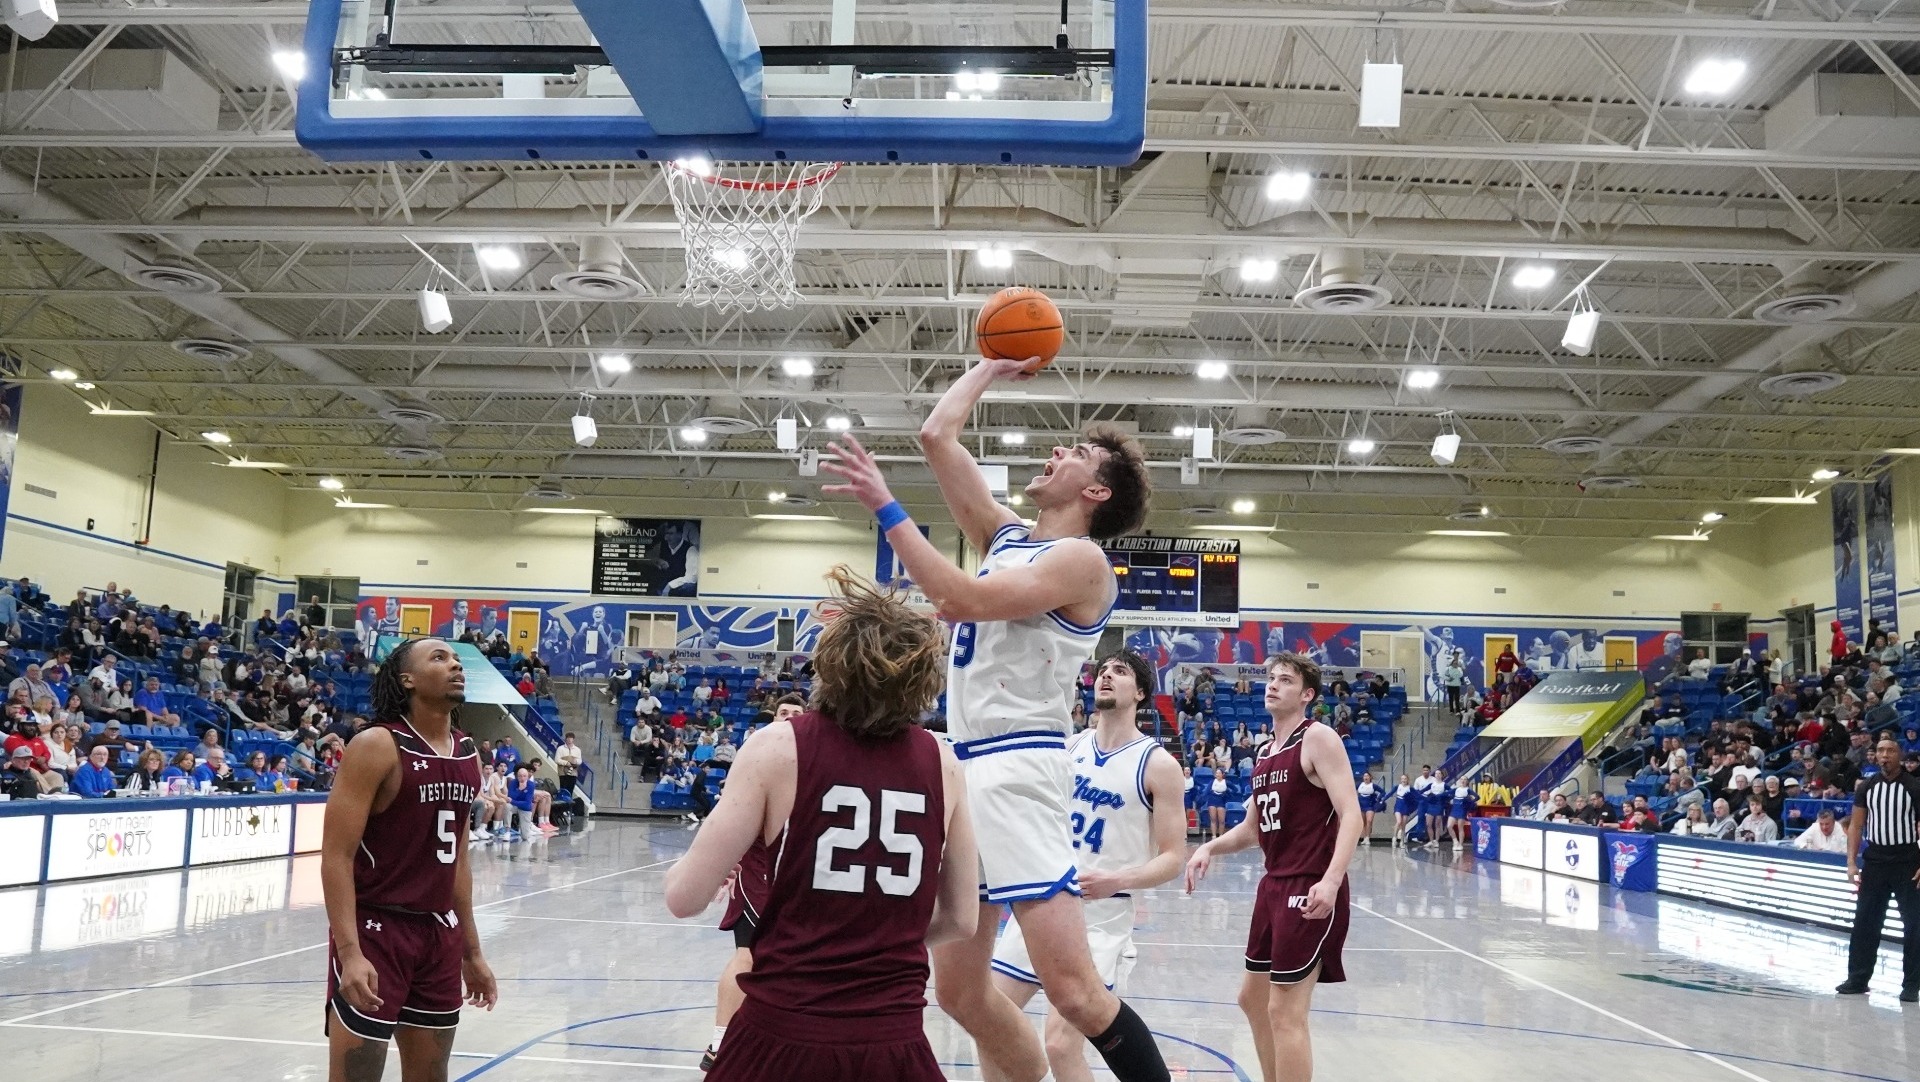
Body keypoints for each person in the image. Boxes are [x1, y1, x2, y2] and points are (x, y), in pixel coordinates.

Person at [821, 356, 1169, 1082]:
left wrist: (889, 510)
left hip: (1018, 767)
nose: (1055, 452)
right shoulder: (1008, 537)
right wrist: (990, 362)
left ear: (1096, 491)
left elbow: (960, 599)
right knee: (957, 990)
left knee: (1075, 995)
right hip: (964, 765)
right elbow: (937, 436)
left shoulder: (1082, 562)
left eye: (1074, 453)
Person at [662, 568, 978, 1082]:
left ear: (830, 663)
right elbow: (963, 918)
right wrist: (871, 943)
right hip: (893, 1039)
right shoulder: (944, 763)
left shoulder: (776, 746)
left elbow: (683, 898)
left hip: (783, 1034)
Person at [989, 651, 1187, 1082]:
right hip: (1044, 902)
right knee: (991, 1023)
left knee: (1061, 1044)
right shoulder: (1069, 746)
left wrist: (1118, 878)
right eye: (1102, 672)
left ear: (1140, 692)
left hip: (1101, 915)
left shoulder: (1158, 764)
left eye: (1119, 672)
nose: (1106, 677)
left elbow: (1174, 857)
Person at [320, 639, 497, 1080]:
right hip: (377, 930)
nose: (455, 664)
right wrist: (349, 951)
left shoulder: (466, 751)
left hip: (439, 934)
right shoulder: (377, 744)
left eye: (456, 659)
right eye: (439, 658)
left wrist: (472, 952)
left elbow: (458, 861)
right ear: (407, 679)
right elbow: (336, 857)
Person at [1184, 653, 1363, 1082]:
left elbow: (1351, 814)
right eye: (1270, 678)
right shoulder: (1265, 751)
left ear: (1307, 695)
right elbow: (1251, 830)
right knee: (1252, 999)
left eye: (1285, 680)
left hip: (1310, 883)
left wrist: (1331, 880)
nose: (1273, 684)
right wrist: (1209, 848)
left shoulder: (1318, 737)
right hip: (1273, 885)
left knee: (1285, 1011)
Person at [699, 694, 807, 1071]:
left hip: (795, 876)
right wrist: (722, 863)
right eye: (783, 713)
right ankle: (719, 1043)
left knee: (786, 963)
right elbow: (732, 818)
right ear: (772, 718)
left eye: (797, 714)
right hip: (760, 871)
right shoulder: (757, 755)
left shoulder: (808, 759)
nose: (789, 718)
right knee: (747, 955)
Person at [1837, 734, 1920, 1000]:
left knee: (1915, 925)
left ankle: (1911, 985)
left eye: (1890, 751)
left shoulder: (1914, 787)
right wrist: (1851, 862)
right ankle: (1858, 979)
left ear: (1900, 756)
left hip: (1908, 860)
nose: (1884, 755)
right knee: (1865, 922)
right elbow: (1857, 827)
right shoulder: (1866, 786)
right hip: (1875, 861)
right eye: (1881, 750)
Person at [1354, 771, 1381, 838]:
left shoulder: (1373, 786)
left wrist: (1378, 798)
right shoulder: (1359, 784)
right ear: (1363, 778)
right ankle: (1364, 835)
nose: (1366, 777)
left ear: (1370, 777)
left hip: (1370, 805)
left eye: (1367, 776)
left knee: (1369, 820)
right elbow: (1352, 790)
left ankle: (1367, 838)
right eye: (1364, 776)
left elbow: (1382, 792)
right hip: (1361, 805)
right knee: (1363, 822)